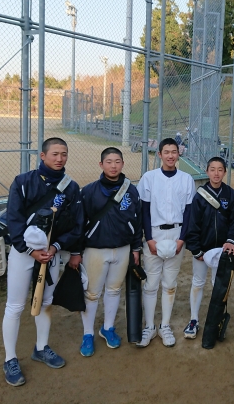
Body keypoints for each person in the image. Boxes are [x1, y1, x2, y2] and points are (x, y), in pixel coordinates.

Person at [2, 137, 84, 387]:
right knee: (15, 306)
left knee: (46, 302)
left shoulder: (71, 187)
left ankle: (41, 347)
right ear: (42, 155)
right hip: (24, 253)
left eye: (64, 154)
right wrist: (30, 250)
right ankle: (10, 359)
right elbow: (13, 220)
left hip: (52, 253)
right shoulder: (23, 182)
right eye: (55, 154)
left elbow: (76, 225)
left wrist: (56, 247)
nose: (60, 159)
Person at [77, 147, 143, 357]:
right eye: (109, 162)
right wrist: (76, 251)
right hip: (95, 250)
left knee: (114, 290)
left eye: (117, 162)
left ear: (122, 164)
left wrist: (136, 247)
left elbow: (137, 220)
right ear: (101, 164)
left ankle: (108, 328)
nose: (113, 166)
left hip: (122, 249)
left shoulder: (131, 190)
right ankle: (88, 334)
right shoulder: (89, 191)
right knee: (92, 293)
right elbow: (79, 223)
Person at [137, 137, 196, 348]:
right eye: (166, 152)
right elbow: (144, 210)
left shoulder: (186, 179)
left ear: (179, 154)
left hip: (176, 234)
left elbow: (189, 211)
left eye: (174, 151)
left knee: (170, 283)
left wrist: (182, 239)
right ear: (159, 154)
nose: (171, 155)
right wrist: (149, 239)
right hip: (155, 234)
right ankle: (149, 326)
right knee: (151, 283)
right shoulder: (149, 178)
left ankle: (165, 325)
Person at [183, 157, 234, 339]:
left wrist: (231, 241)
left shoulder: (231, 195)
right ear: (207, 172)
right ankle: (193, 320)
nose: (216, 173)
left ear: (225, 172)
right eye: (212, 169)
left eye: (220, 169)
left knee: (219, 285)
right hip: (203, 249)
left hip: (223, 250)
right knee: (198, 282)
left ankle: (217, 320)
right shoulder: (199, 196)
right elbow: (193, 224)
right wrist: (196, 249)